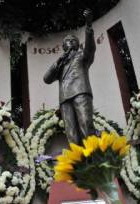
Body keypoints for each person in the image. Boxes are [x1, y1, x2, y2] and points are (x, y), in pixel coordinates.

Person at [43, 9, 96, 144]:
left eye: (73, 40)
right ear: (63, 46)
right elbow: (46, 79)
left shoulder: (83, 56)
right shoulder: (60, 64)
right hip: (65, 98)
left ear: (78, 44)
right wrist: (59, 60)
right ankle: (77, 161)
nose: (70, 42)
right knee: (71, 132)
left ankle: (94, 159)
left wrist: (88, 26)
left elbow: (90, 48)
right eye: (67, 41)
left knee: (86, 124)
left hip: (80, 92)